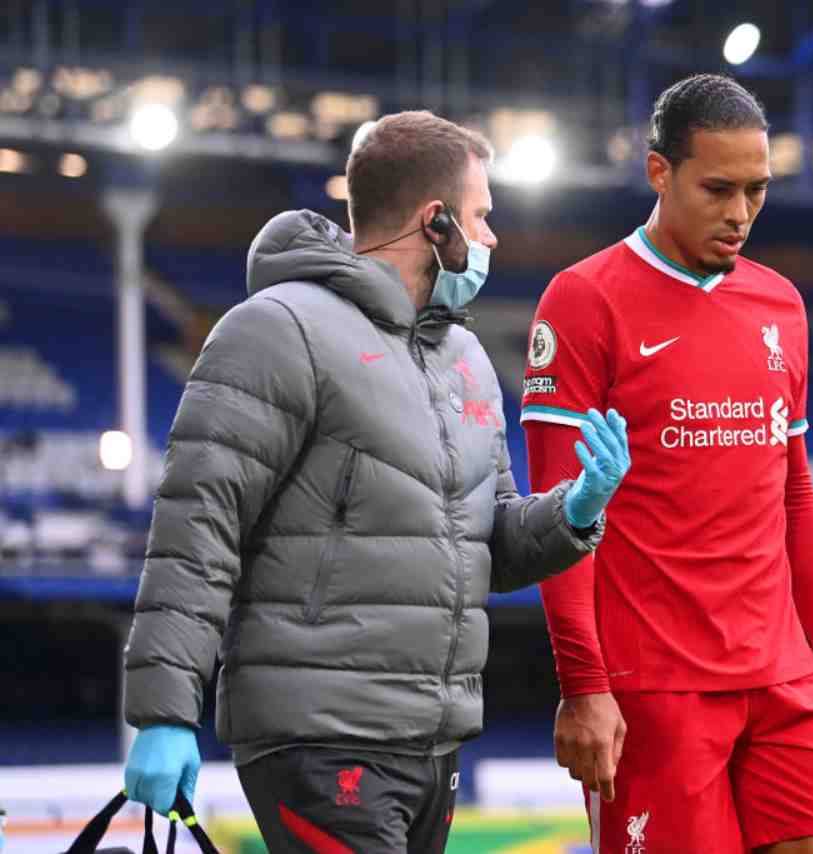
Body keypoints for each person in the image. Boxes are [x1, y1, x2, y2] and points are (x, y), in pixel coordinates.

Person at [120, 110, 631, 854]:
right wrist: (165, 714)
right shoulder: (277, 329)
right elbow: (198, 525)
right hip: (319, 737)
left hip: (432, 742)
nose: (491, 239)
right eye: (482, 217)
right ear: (436, 223)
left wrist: (576, 508)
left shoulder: (466, 360)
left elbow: (487, 543)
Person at [520, 73, 813, 853]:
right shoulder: (585, 299)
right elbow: (560, 513)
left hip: (784, 673)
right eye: (718, 189)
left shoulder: (781, 306)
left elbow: (795, 496)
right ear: (659, 172)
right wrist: (583, 686)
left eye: (757, 192)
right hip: (657, 687)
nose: (739, 215)